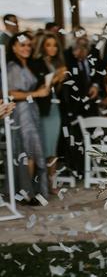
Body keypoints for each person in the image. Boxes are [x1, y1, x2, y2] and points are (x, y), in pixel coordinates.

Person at [6, 33, 50, 203]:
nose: (26, 48)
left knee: (32, 151)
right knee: (28, 151)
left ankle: (29, 191)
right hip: (21, 112)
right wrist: (37, 93)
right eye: (22, 45)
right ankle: (27, 193)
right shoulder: (12, 67)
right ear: (13, 47)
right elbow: (10, 93)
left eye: (29, 46)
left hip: (31, 110)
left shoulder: (28, 65)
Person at [59, 36, 100, 176]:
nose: (77, 53)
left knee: (91, 136)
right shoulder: (68, 60)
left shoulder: (93, 56)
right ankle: (78, 169)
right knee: (75, 138)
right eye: (75, 49)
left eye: (81, 49)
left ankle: (91, 166)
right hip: (74, 107)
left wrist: (95, 85)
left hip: (91, 106)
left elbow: (99, 74)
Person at [32, 33, 66, 194]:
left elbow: (59, 91)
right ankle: (41, 184)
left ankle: (52, 184)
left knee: (53, 148)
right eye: (48, 45)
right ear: (43, 46)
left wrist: (60, 79)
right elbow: (39, 88)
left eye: (54, 45)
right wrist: (55, 77)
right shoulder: (36, 63)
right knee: (43, 146)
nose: (52, 48)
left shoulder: (58, 63)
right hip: (42, 109)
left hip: (55, 109)